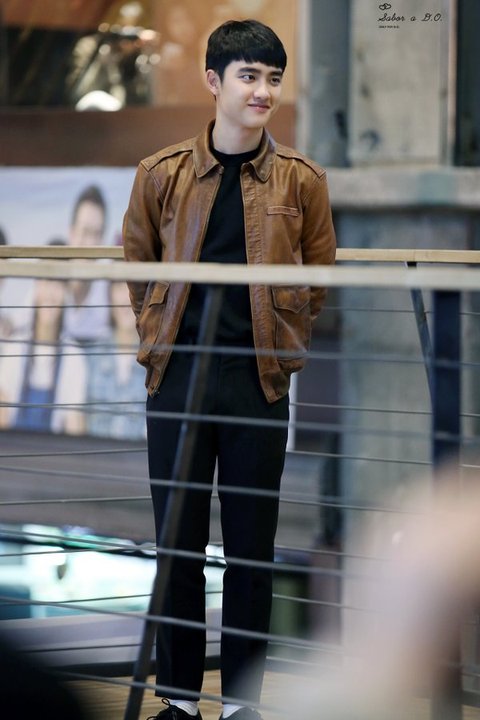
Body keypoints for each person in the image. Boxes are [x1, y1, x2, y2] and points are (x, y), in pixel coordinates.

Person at [123, 19, 336, 720]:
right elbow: (138, 265)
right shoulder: (161, 174)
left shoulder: (302, 180)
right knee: (177, 545)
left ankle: (243, 704)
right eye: (249, 76)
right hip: (178, 379)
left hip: (258, 381)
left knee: (251, 550)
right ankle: (180, 701)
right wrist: (159, 333)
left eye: (273, 78)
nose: (263, 91)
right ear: (213, 81)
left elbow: (319, 274)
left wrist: (285, 337)